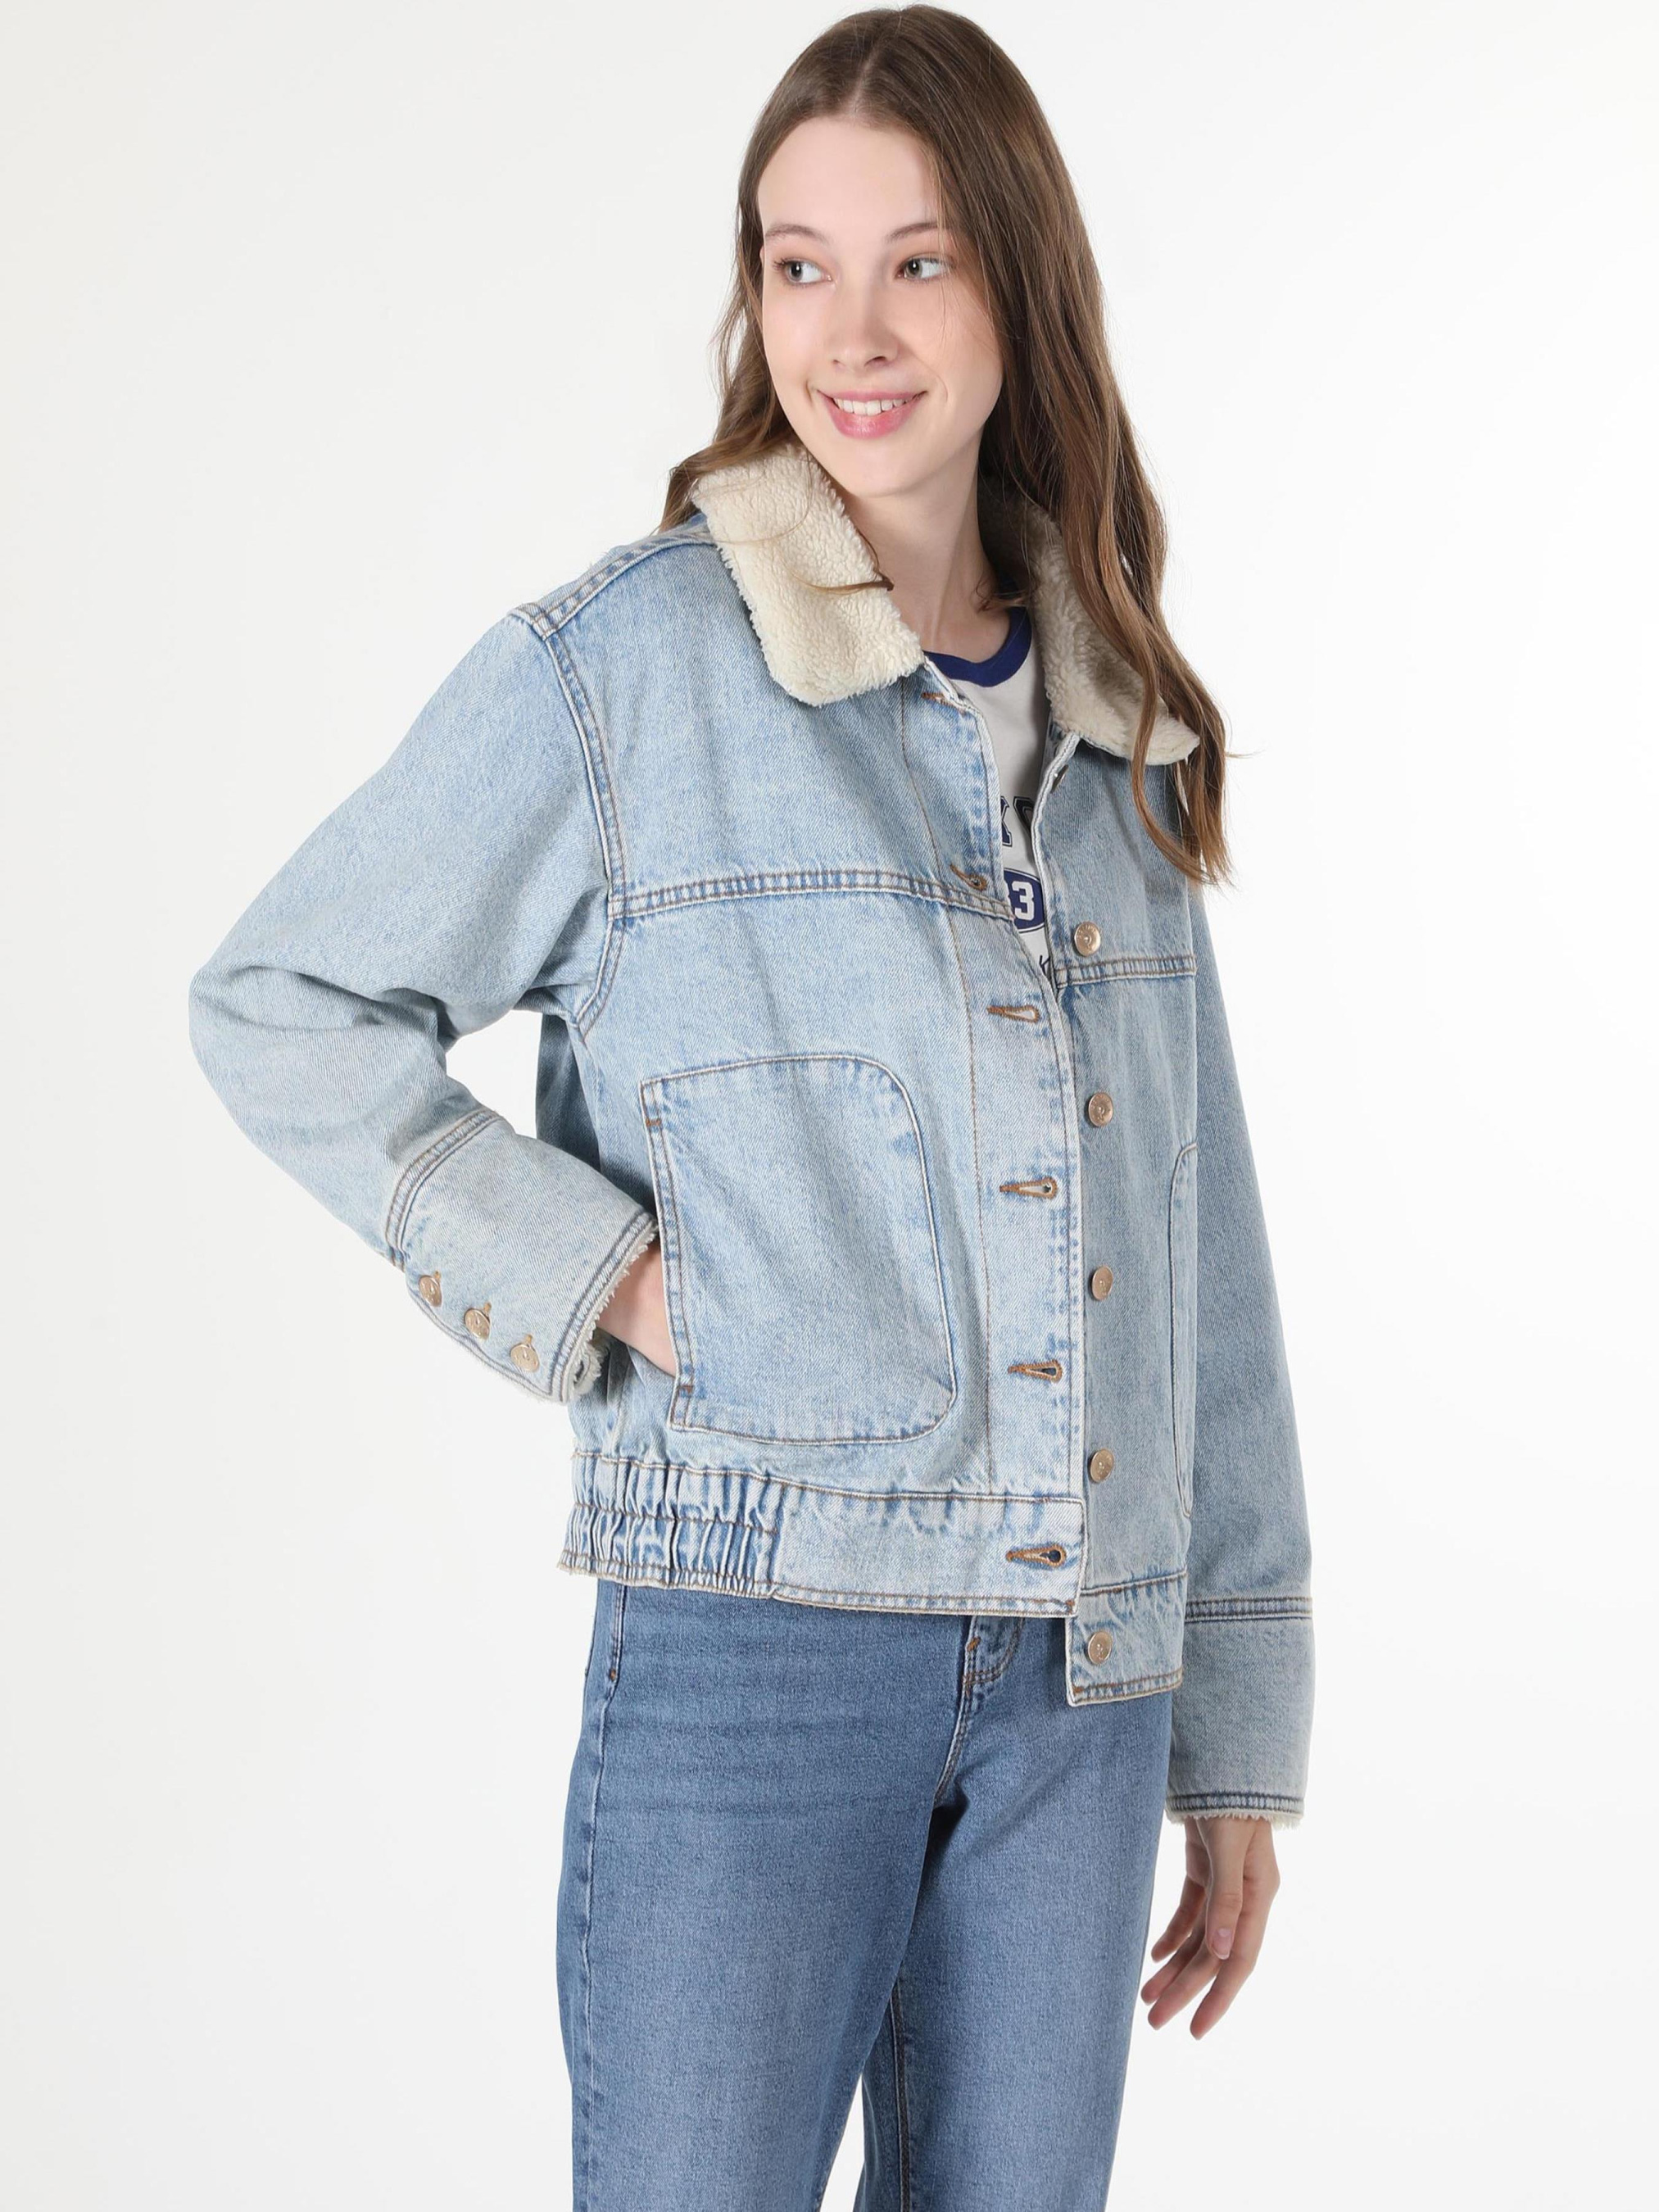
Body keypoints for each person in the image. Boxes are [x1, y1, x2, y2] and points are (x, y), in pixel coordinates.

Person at [187, 9, 1314, 2205]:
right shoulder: (629, 671)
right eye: (798, 266)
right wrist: (599, 1273)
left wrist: (1237, 1721)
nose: (849, 334)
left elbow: (1199, 1244)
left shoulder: (1115, 709)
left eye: (915, 263)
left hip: (1081, 1681)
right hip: (757, 1649)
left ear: (1019, 286)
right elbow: (280, 1000)